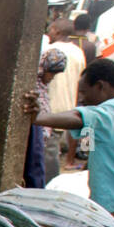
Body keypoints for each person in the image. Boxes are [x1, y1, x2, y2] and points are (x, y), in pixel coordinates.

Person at [26, 58, 114, 224]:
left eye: (84, 92)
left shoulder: (111, 111)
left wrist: (38, 118)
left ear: (101, 86)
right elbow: (92, 141)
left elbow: (78, 117)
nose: (81, 99)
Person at [45, 18, 87, 169]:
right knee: (54, 148)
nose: (48, 32)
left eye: (50, 29)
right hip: (70, 106)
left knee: (49, 152)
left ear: (56, 30)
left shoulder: (49, 50)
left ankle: (48, 184)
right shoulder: (78, 52)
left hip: (51, 107)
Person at [37, 47, 68, 181]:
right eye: (51, 74)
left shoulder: (43, 84)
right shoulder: (35, 83)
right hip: (39, 134)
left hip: (45, 133)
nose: (52, 78)